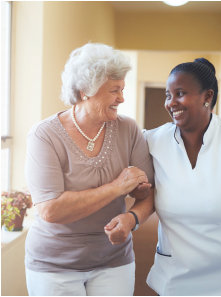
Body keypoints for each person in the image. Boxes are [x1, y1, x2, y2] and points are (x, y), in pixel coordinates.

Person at [106, 58, 221, 296]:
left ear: (207, 97)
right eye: (168, 95)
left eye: (180, 93)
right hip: (177, 280)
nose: (171, 103)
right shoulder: (152, 141)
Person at [24, 43, 154, 296]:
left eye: (123, 89)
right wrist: (117, 187)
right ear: (85, 91)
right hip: (54, 265)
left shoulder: (128, 129)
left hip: (114, 260)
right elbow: (51, 209)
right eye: (114, 90)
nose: (122, 98)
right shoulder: (45, 135)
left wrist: (132, 217)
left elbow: (147, 195)